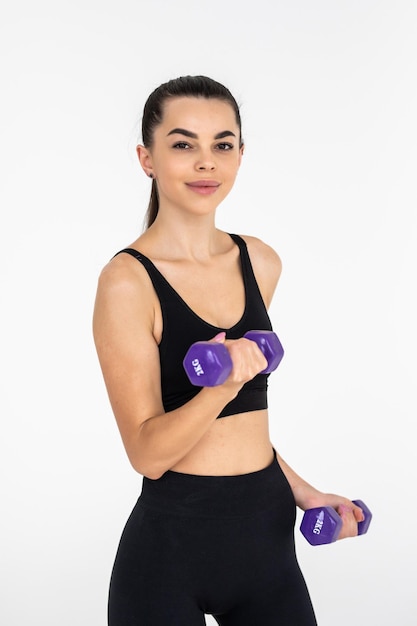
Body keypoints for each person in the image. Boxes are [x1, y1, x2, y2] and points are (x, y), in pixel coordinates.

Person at [93, 75, 365, 626]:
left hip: (266, 535)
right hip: (171, 548)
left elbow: (245, 421)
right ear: (147, 158)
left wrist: (304, 492)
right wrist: (222, 387)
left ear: (241, 154)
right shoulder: (127, 282)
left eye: (222, 144)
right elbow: (147, 454)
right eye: (182, 144)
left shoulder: (260, 262)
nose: (205, 162)